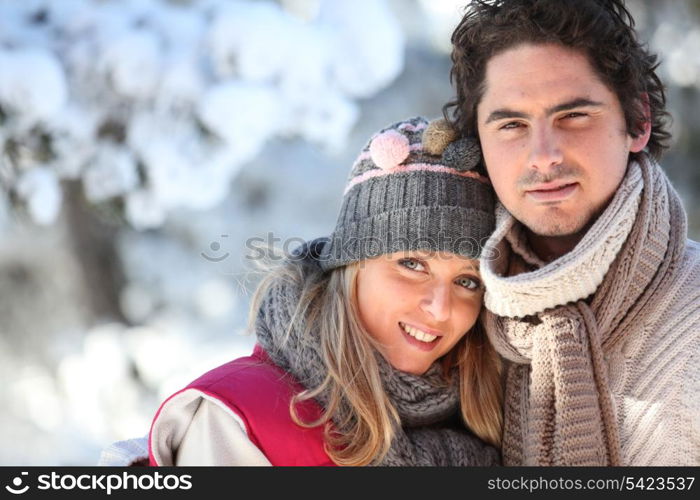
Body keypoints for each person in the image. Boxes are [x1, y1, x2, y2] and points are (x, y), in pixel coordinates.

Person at [139, 116, 502, 466]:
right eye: (412, 264)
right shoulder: (239, 419)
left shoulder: (486, 421)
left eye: (467, 281)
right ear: (351, 265)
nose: (440, 309)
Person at [444, 0, 700, 465]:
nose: (543, 156)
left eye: (574, 116)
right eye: (511, 124)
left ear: (638, 121)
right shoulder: (447, 315)